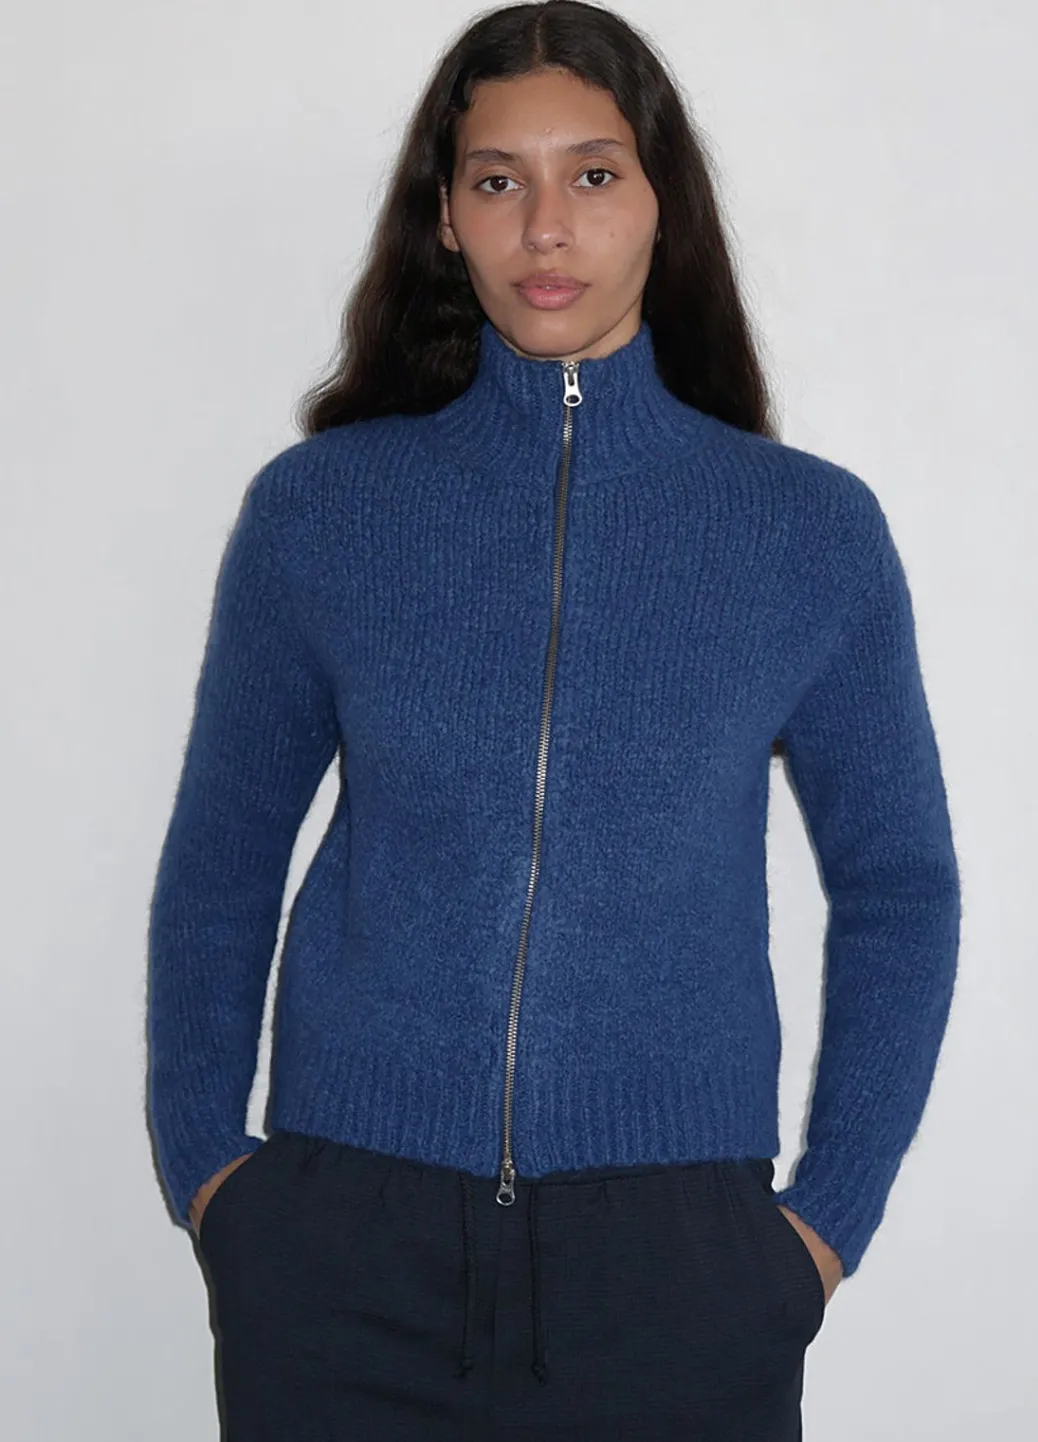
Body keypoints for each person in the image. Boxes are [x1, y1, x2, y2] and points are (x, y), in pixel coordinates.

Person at [146, 2, 963, 1437]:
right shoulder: (322, 513)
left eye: (592, 174)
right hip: (343, 1251)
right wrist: (215, 1176)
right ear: (445, 217)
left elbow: (901, 886)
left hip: (679, 1268)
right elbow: (222, 859)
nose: (545, 227)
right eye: (496, 179)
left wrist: (821, 1226)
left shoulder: (805, 534)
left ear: (661, 204)